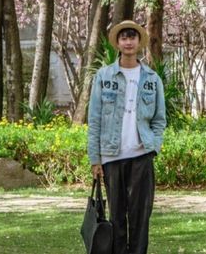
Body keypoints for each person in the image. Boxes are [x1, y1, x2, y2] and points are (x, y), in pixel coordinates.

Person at [88, 20, 166, 254]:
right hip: (112, 156)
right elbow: (95, 119)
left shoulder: (152, 79)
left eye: (133, 37)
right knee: (117, 217)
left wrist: (154, 146)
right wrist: (95, 158)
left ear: (139, 42)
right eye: (124, 37)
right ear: (118, 43)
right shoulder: (104, 76)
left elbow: (159, 119)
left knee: (141, 215)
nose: (129, 41)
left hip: (142, 155)